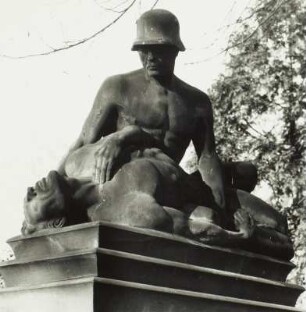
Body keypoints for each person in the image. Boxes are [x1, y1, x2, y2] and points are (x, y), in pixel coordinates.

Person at [23, 9, 293, 260]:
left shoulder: (196, 102)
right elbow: (84, 141)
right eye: (144, 50)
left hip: (179, 185)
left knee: (276, 223)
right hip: (133, 191)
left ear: (175, 50)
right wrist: (50, 194)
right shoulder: (117, 88)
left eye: (158, 50)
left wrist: (223, 206)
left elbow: (207, 158)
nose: (150, 57)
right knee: (206, 221)